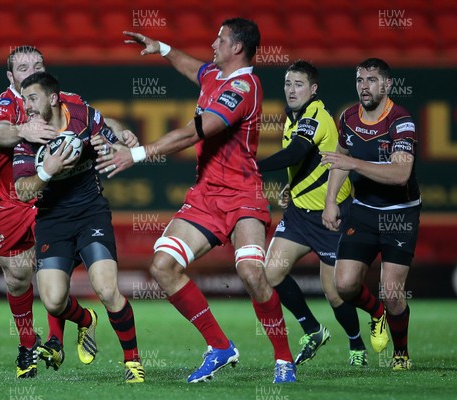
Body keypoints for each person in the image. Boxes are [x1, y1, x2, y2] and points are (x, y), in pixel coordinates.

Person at [96, 18, 296, 384]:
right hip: (206, 195)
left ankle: (284, 360)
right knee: (162, 266)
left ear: (238, 48)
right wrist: (165, 50)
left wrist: (137, 153)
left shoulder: (244, 87)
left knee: (251, 273)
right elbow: (197, 69)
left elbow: (195, 131)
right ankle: (220, 347)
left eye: (219, 38)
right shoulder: (215, 76)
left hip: (242, 195)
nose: (212, 42)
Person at [0, 45, 137, 378]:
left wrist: (120, 132)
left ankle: (54, 341)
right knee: (17, 277)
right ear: (11, 77)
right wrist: (23, 130)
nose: (32, 70)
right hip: (13, 198)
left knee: (53, 270)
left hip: (53, 199)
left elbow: (96, 117)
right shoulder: (7, 107)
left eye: (38, 64)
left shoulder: (59, 97)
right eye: (23, 67)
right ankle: (32, 341)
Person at [257, 60, 367, 366]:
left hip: (330, 216)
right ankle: (312, 329)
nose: (291, 90)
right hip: (298, 214)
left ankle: (357, 346)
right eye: (287, 84)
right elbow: (303, 165)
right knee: (272, 272)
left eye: (298, 84)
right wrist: (291, 189)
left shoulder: (315, 115)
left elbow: (295, 153)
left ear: (313, 89)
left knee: (335, 294)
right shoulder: (293, 117)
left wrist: (251, 166)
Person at [321, 58, 420, 371]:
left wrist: (354, 166)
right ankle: (376, 313)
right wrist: (330, 202)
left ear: (387, 85)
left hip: (399, 214)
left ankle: (401, 354)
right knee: (345, 285)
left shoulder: (401, 120)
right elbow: (342, 158)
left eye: (372, 80)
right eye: (360, 80)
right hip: (362, 211)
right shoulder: (348, 117)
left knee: (392, 292)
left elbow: (401, 173)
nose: (365, 86)